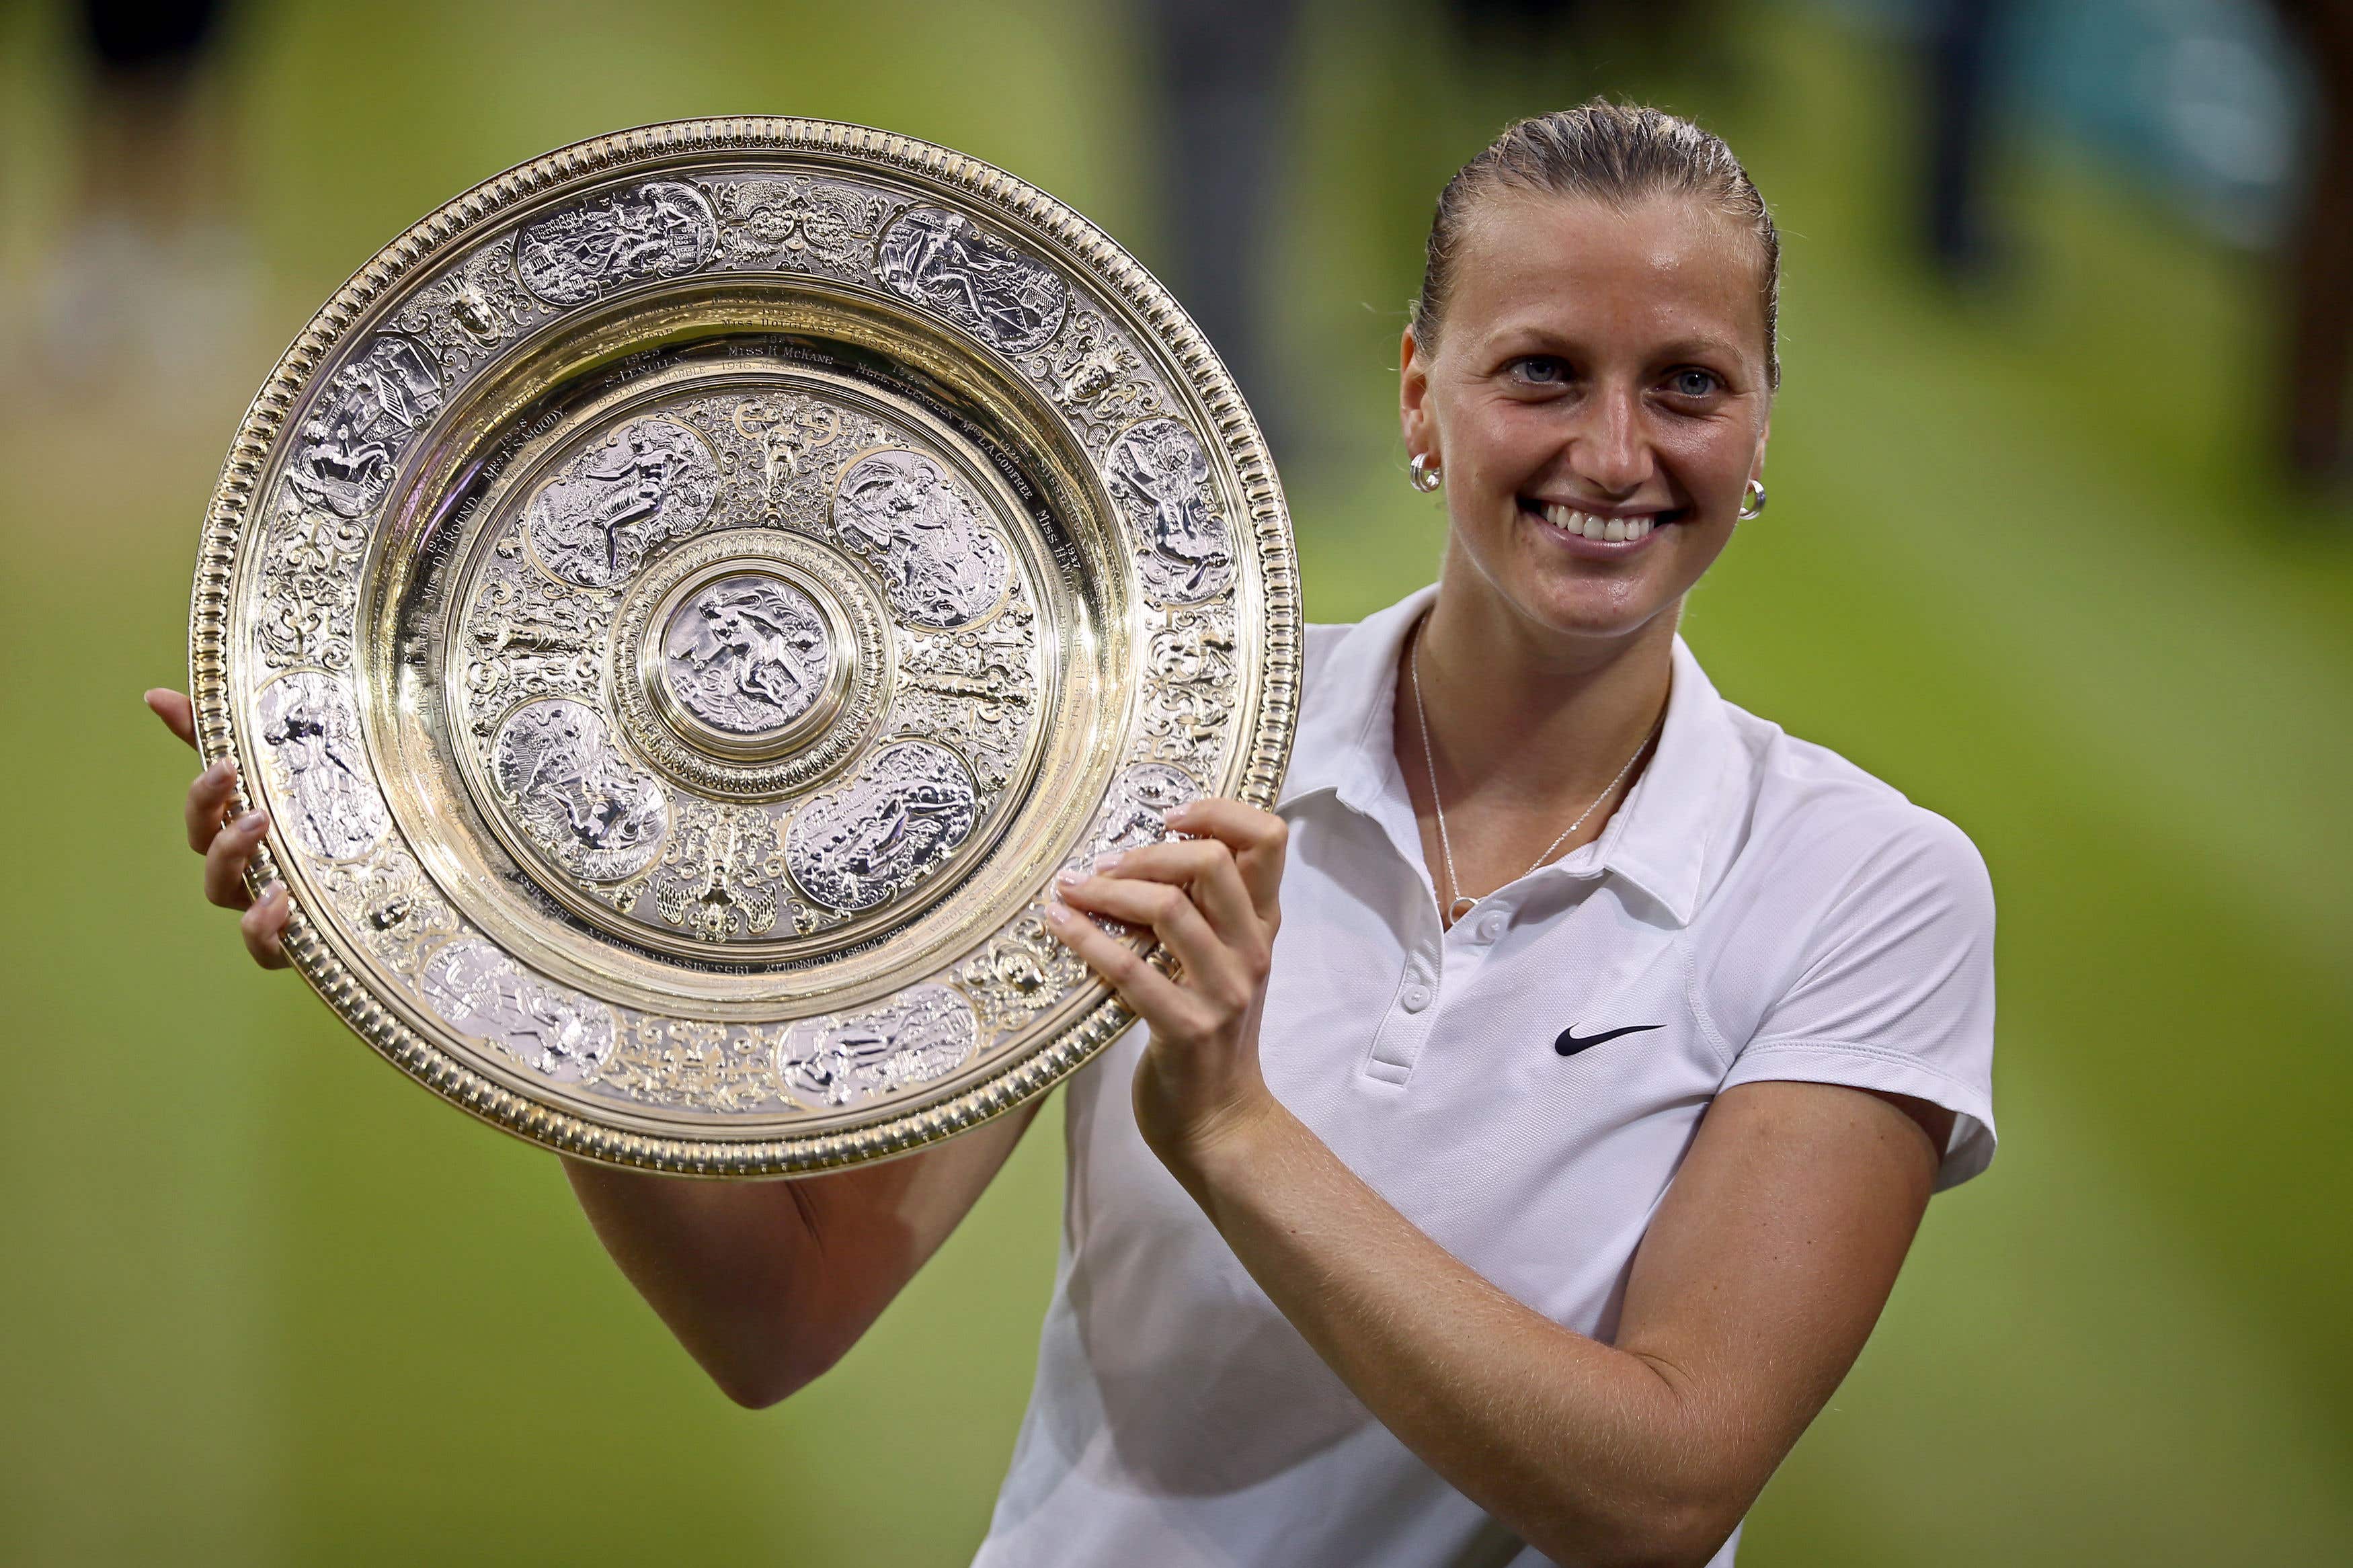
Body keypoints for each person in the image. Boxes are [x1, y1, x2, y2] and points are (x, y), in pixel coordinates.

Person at [148, 101, 1997, 1568]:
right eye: (1541, 372)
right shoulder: (1156, 748)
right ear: (1418, 397)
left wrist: (1236, 1134)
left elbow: (1659, 1491)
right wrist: (494, 973)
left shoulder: (1867, 888)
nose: (1612, 451)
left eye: (1687, 383)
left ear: (1761, 424)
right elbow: (783, 1315)